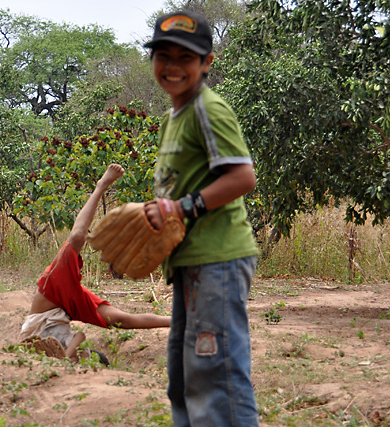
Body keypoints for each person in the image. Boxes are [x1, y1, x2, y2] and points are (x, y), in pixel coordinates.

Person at [142, 10, 260, 427]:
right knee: (184, 379)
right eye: (163, 55)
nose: (173, 67)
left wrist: (181, 208)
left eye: (186, 58)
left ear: (206, 62)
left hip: (219, 261)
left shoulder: (207, 109)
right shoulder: (175, 116)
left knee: (216, 379)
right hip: (192, 263)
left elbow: (243, 176)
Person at [19, 163, 171, 364]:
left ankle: (57, 353)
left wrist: (174, 321)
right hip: (39, 331)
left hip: (54, 338)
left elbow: (123, 320)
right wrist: (102, 186)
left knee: (100, 344)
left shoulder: (79, 298)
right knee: (78, 237)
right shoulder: (61, 279)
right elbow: (77, 234)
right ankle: (58, 352)